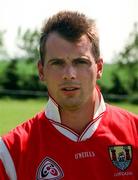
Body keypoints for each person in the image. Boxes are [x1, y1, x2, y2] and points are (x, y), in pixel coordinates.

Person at [0, 11, 138, 180]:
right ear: (41, 71)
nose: (69, 74)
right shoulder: (10, 153)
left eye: (80, 62)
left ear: (99, 68)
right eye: (57, 63)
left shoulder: (135, 132)